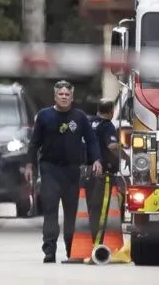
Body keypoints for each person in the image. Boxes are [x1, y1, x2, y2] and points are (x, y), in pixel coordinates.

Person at [25, 80, 102, 263]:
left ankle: (71, 249)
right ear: (55, 96)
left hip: (72, 171)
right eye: (61, 94)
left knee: (71, 213)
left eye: (67, 94)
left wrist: (96, 160)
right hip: (50, 169)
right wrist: (30, 164)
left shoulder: (80, 117)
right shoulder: (44, 116)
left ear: (72, 97)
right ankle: (49, 250)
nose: (64, 97)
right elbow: (34, 143)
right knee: (50, 210)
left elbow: (91, 141)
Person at [86, 99, 122, 242]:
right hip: (104, 173)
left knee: (89, 206)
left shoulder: (90, 123)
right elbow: (112, 145)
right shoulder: (107, 126)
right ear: (112, 111)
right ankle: (97, 241)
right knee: (101, 208)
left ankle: (89, 238)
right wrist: (123, 150)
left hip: (87, 171)